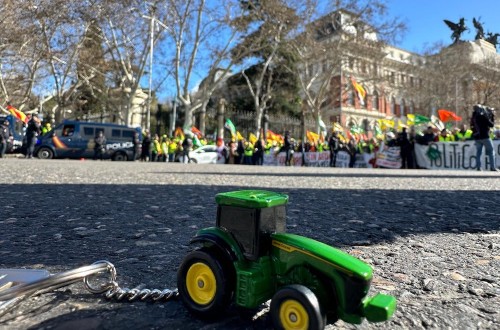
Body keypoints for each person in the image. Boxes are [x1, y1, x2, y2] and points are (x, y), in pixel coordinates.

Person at [470, 104, 498, 171]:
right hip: (485, 136)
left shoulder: (473, 117)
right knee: (491, 151)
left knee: (479, 152)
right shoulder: (483, 116)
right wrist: (492, 116)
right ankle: (492, 167)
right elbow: (491, 125)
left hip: (477, 137)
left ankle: (478, 167)